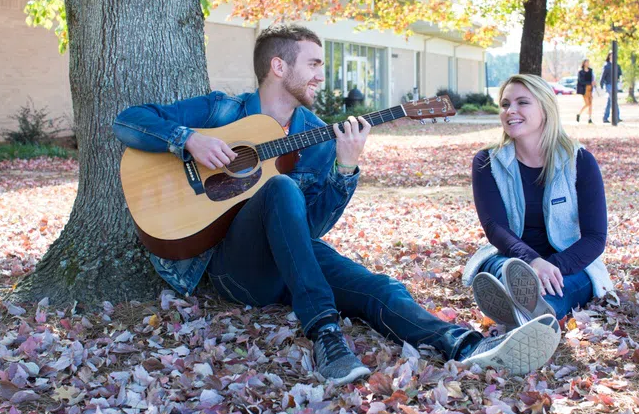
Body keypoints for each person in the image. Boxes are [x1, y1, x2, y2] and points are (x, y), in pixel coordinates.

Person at [114, 25, 562, 385]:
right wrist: (189, 139)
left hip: (287, 258)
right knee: (281, 189)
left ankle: (467, 346)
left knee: (379, 287)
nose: (320, 76)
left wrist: (346, 168)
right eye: (312, 64)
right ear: (277, 65)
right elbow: (129, 120)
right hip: (230, 267)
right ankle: (326, 332)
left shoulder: (316, 135)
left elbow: (309, 228)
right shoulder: (223, 112)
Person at [463, 74, 615, 330]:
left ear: (545, 108)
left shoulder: (579, 161)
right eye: (505, 104)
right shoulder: (488, 161)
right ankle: (525, 309)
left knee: (557, 289)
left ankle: (532, 317)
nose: (511, 111)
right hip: (511, 260)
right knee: (498, 269)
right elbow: (494, 227)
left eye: (522, 102)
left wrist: (551, 267)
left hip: (569, 263)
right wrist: (533, 263)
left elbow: (595, 237)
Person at [600, 53, 622, 123]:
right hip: (609, 85)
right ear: (609, 56)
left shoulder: (617, 66)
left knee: (610, 102)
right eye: (611, 55)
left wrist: (620, 82)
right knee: (614, 100)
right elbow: (603, 75)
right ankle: (616, 117)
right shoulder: (606, 66)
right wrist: (601, 83)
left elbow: (620, 75)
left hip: (615, 84)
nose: (612, 56)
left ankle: (605, 117)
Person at [575, 59, 595, 124]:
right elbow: (581, 81)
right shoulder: (581, 72)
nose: (587, 63)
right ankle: (579, 113)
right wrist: (589, 83)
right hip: (584, 89)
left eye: (588, 62)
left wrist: (593, 83)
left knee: (591, 104)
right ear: (583, 63)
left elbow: (592, 78)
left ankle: (590, 118)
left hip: (590, 89)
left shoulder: (591, 70)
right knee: (587, 103)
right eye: (586, 62)